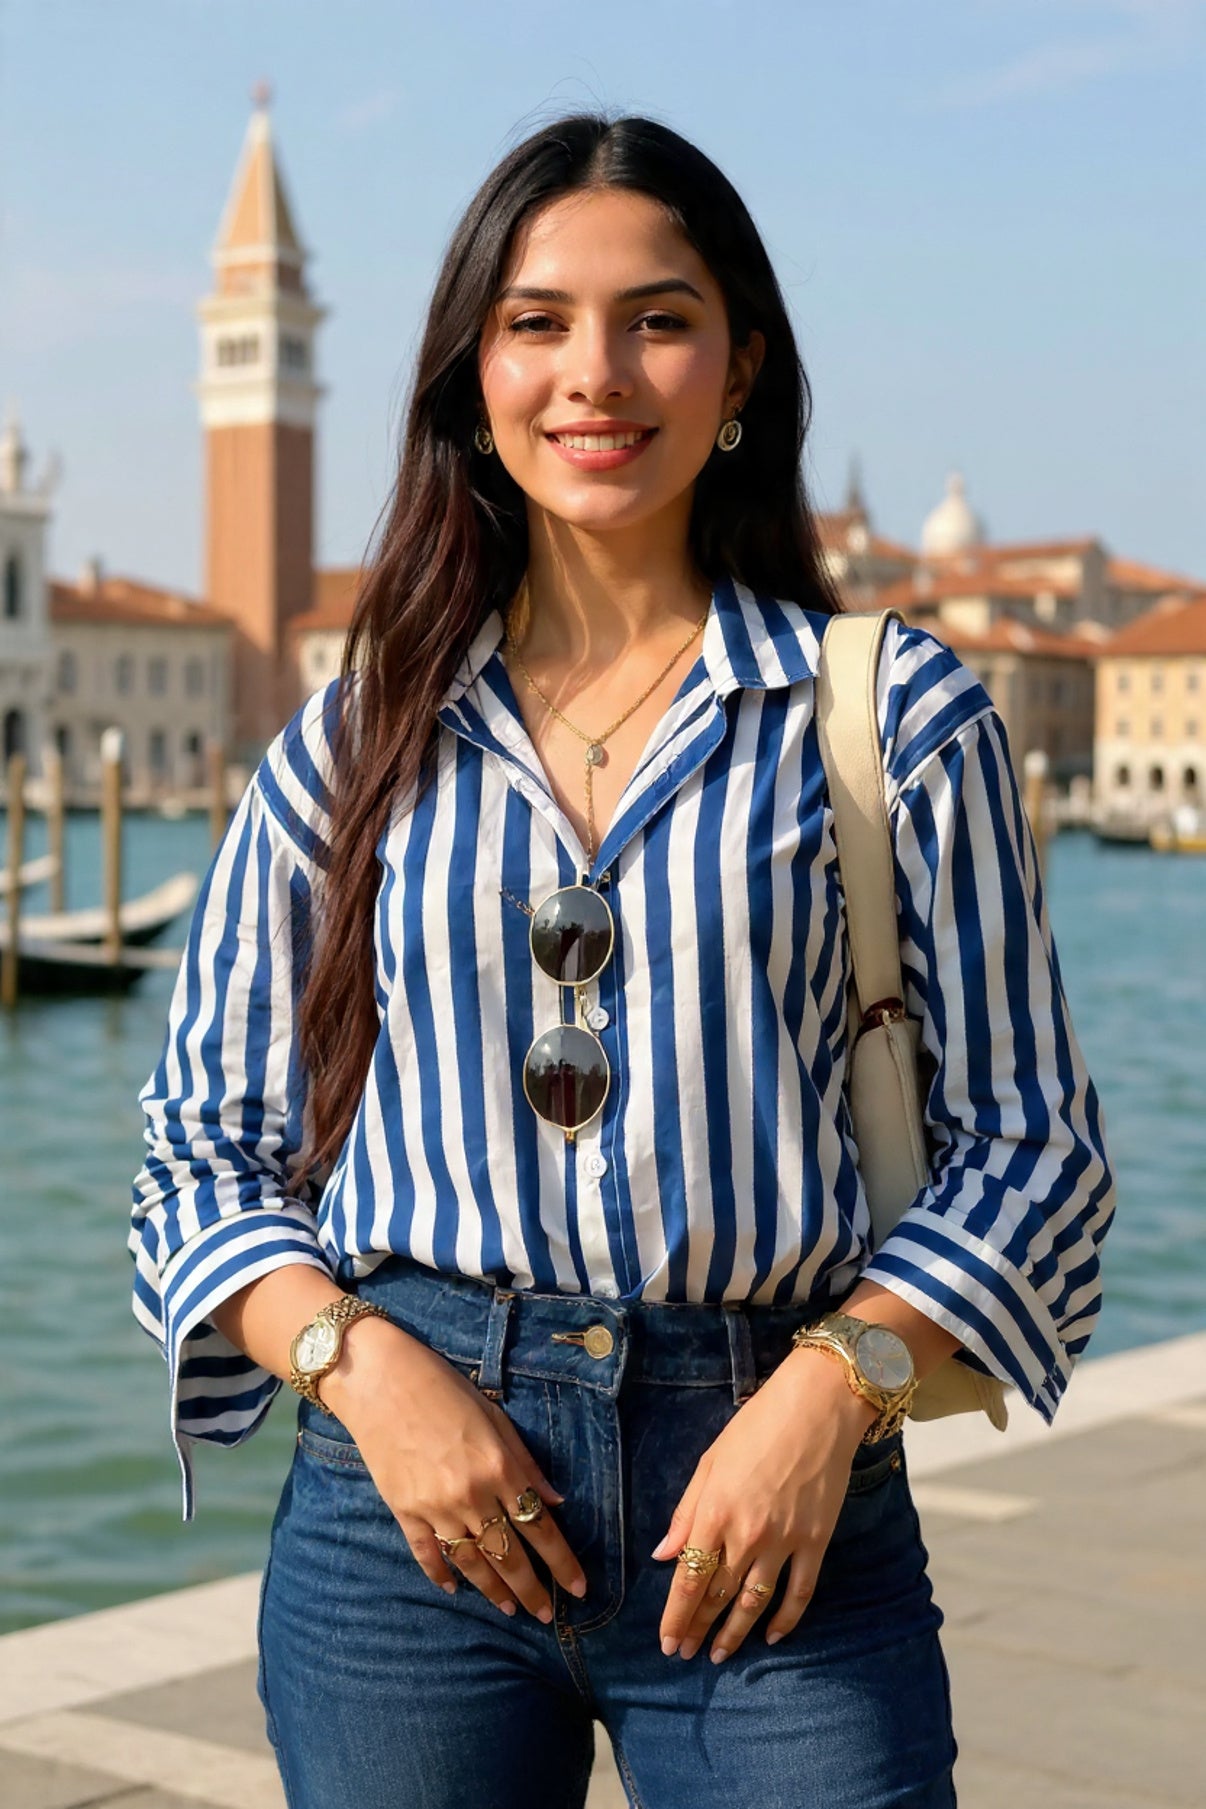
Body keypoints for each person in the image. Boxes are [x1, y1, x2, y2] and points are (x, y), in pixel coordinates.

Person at [129, 114, 1115, 1809]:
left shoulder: (886, 717)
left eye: (657, 318)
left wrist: (835, 1387)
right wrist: (366, 1377)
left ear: (737, 370)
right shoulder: (354, 738)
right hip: (405, 1510)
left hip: (778, 1490)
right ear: (472, 378)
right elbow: (196, 1150)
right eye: (537, 322)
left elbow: (1034, 1150)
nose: (597, 372)